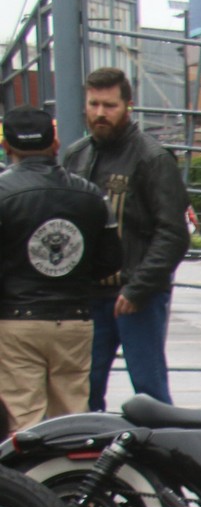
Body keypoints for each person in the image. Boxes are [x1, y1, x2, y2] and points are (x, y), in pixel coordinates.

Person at [61, 66, 189, 410]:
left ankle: (165, 446)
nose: (100, 113)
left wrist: (139, 288)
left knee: (151, 394)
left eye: (110, 105)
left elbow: (174, 234)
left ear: (128, 106)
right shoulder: (76, 156)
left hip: (137, 298)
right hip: (89, 297)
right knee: (83, 393)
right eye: (94, 104)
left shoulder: (153, 158)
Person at [0, 107, 120, 432]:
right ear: (55, 143)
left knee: (24, 418)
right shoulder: (91, 195)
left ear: (6, 146)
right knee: (72, 418)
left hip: (16, 319)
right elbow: (111, 261)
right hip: (75, 317)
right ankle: (73, 465)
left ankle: (31, 467)